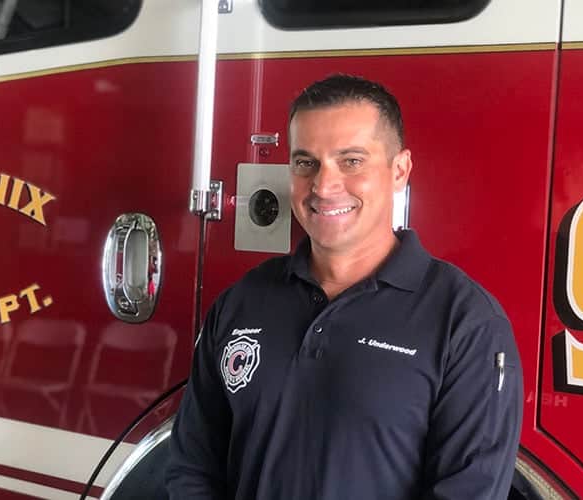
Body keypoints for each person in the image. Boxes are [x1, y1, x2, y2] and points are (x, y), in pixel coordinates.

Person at [166, 74, 523, 499]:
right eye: (305, 162)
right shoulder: (242, 303)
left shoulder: (466, 324)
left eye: (351, 161)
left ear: (399, 170)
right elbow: (193, 466)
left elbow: (469, 492)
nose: (323, 186)